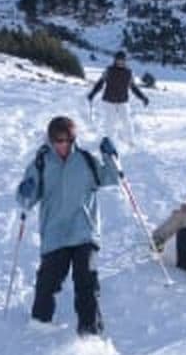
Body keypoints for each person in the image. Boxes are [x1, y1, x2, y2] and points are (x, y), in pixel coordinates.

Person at [16, 116, 120, 336]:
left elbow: (111, 177)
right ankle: (40, 326)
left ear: (73, 139)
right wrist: (25, 191)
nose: (62, 145)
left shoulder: (85, 159)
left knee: (87, 281)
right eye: (57, 140)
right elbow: (27, 198)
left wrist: (110, 156)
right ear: (50, 140)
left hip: (84, 232)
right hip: (55, 233)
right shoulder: (41, 163)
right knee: (47, 283)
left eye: (67, 140)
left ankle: (90, 332)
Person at [87, 50, 149, 148]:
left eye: (122, 60)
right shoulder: (109, 70)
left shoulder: (129, 73)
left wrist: (143, 98)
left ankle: (131, 143)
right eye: (118, 60)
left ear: (125, 61)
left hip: (123, 101)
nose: (120, 62)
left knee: (127, 122)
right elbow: (100, 83)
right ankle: (110, 144)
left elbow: (133, 87)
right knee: (110, 123)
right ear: (115, 60)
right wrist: (92, 94)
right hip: (109, 101)